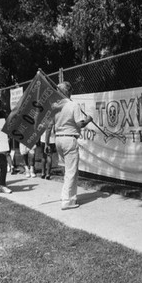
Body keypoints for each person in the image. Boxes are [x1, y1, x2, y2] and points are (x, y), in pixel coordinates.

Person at [48, 81, 93, 210]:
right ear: (68, 92)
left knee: (68, 170)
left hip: (59, 139)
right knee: (71, 171)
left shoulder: (56, 106)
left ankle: (65, 196)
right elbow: (80, 124)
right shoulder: (73, 105)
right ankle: (68, 200)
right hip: (69, 139)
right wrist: (88, 119)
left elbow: (52, 123)